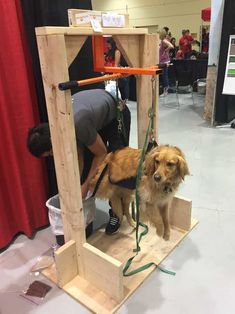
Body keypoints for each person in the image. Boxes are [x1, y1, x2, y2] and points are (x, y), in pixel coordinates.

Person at [27, 89, 131, 235]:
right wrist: (79, 183)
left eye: (50, 153)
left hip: (117, 114)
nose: (52, 155)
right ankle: (85, 219)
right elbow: (80, 153)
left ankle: (117, 213)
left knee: (116, 166)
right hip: (95, 116)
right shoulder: (57, 123)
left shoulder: (77, 124)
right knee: (89, 165)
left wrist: (86, 185)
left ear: (52, 140)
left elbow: (101, 154)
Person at [159, 29, 174, 96]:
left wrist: (166, 50)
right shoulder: (162, 41)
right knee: (164, 75)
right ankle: (165, 90)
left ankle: (166, 90)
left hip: (164, 61)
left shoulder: (164, 41)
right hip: (163, 60)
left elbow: (171, 46)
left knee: (164, 75)